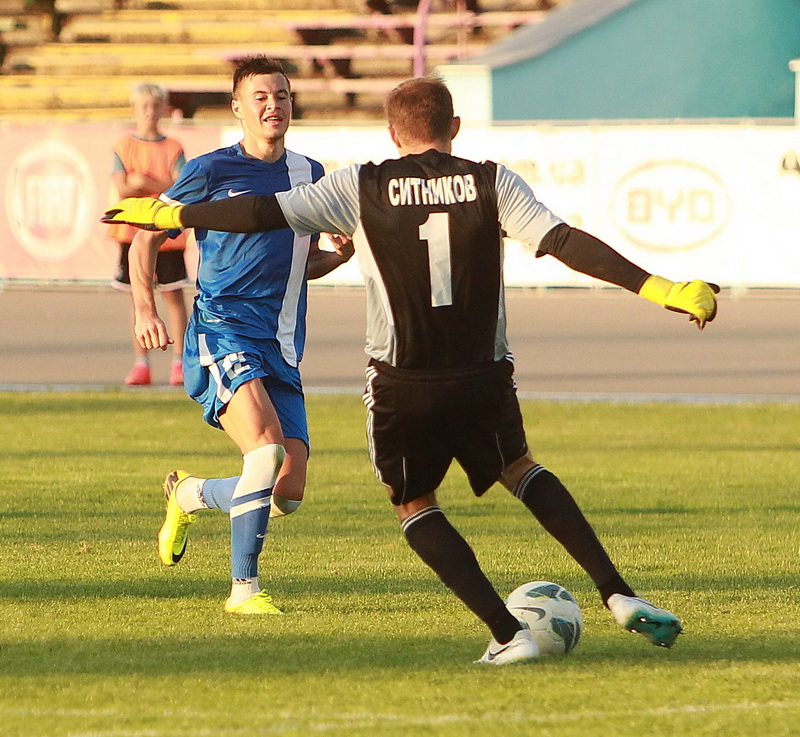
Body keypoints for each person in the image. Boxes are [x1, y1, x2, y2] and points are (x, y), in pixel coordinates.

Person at [104, 77, 719, 662]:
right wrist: (660, 287)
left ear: (393, 134)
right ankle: (618, 593)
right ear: (456, 126)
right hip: (483, 372)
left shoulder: (361, 185)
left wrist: (172, 217)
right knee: (521, 470)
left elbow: (261, 213)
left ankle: (508, 635)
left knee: (415, 503)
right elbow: (563, 241)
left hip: (402, 379)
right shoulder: (491, 181)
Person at [126, 57, 353, 615]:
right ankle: (243, 590)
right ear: (237, 108)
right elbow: (145, 237)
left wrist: (337, 258)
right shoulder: (210, 171)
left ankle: (190, 494)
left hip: (282, 344)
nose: (274, 105)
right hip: (222, 329)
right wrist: (144, 309)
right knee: (265, 449)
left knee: (286, 493)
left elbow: (299, 266)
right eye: (261, 97)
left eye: (282, 95)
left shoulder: (310, 174)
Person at [109, 82, 190, 387]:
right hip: (132, 232)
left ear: (164, 109)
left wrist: (144, 183)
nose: (149, 112)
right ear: (134, 110)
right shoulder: (123, 146)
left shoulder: (173, 147)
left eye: (155, 106)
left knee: (173, 296)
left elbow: (181, 185)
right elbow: (122, 186)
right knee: (138, 298)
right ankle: (141, 362)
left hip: (166, 231)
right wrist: (158, 184)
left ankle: (179, 361)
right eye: (144, 106)